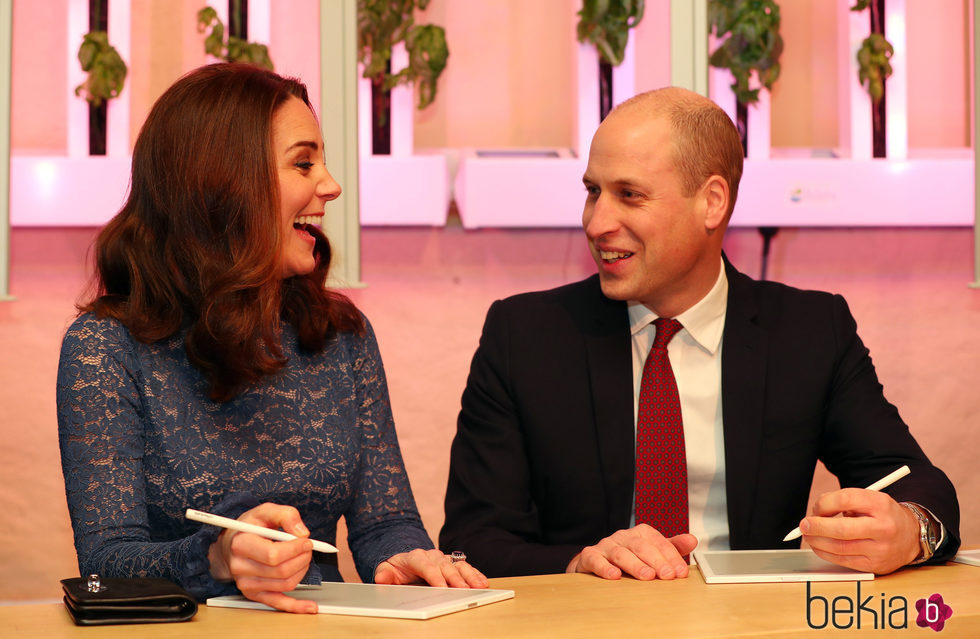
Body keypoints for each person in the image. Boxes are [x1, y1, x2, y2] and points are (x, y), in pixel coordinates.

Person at [440, 87, 960, 581]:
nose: (597, 223)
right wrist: (580, 563)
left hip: (753, 626)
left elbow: (914, 482)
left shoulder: (808, 332)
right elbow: (473, 539)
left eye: (629, 195)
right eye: (593, 192)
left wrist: (911, 531)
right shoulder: (525, 336)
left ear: (712, 202)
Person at [57, 63, 486, 615]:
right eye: (303, 163)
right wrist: (216, 557)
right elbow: (106, 562)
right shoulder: (106, 348)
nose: (330, 185)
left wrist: (406, 559)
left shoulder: (339, 334)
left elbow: (385, 523)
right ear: (222, 183)